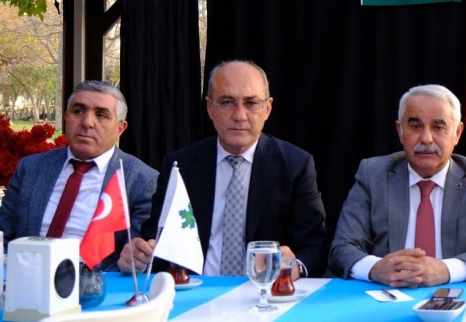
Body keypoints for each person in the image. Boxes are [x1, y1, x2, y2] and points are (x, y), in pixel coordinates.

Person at [118, 60, 329, 278]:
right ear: (210, 108)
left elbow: (314, 246)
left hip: (263, 289)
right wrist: (138, 256)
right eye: (227, 102)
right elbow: (155, 240)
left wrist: (295, 266)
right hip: (194, 289)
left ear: (267, 108)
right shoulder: (181, 166)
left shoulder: (295, 165)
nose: (239, 115)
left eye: (251, 103)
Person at [329, 84, 466, 287]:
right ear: (400, 131)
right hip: (385, 294)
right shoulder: (373, 174)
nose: (426, 138)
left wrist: (445, 270)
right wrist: (376, 268)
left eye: (438, 127)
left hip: (457, 296)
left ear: (457, 133)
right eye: (415, 127)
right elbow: (342, 247)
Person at [1, 80, 157, 271]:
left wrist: (134, 260)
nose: (87, 122)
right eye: (78, 111)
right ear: (66, 118)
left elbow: (135, 253)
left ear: (120, 128)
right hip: (25, 276)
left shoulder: (141, 181)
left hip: (95, 284)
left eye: (101, 115)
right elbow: (4, 234)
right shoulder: (31, 168)